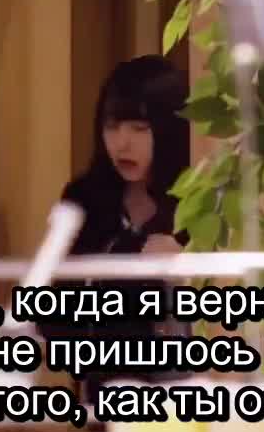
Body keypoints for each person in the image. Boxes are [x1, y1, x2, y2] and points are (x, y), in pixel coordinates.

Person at [39, 54, 191, 404]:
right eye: (112, 127)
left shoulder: (194, 201)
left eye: (139, 129)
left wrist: (186, 270)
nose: (122, 143)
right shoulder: (84, 199)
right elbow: (52, 315)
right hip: (102, 397)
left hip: (180, 399)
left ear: (168, 128)